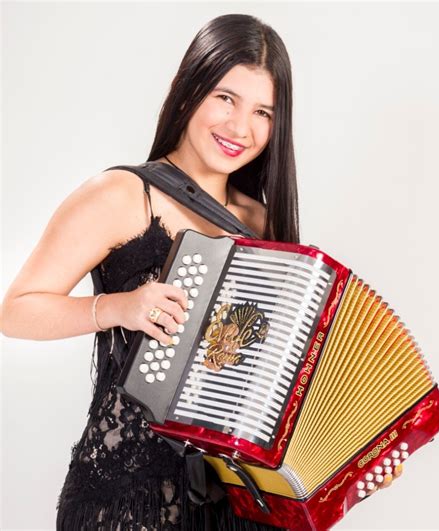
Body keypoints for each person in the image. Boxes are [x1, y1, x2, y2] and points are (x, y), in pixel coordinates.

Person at [1, 13, 299, 531]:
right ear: (188, 89)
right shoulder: (121, 194)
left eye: (263, 112)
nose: (240, 128)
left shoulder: (262, 220)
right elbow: (17, 310)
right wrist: (119, 307)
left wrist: (346, 463)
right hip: (128, 498)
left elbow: (281, 371)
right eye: (225, 98)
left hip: (235, 502)